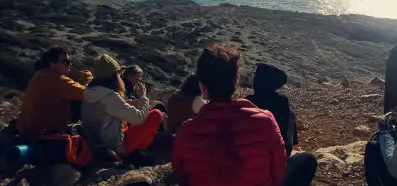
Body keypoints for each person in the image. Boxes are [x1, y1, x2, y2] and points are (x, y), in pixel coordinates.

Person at [172, 44, 317, 186]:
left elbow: (181, 177)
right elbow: (279, 173)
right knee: (307, 159)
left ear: (202, 85)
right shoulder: (265, 121)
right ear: (236, 80)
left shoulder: (186, 131)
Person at [81, 54, 164, 161]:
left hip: (95, 142)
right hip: (115, 147)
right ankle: (135, 151)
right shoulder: (109, 96)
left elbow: (109, 108)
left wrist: (131, 102)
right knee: (156, 114)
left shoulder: (90, 90)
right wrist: (143, 97)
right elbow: (139, 118)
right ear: (114, 75)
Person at [17, 46, 93, 140]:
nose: (69, 65)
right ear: (51, 63)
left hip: (27, 130)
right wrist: (89, 79)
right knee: (83, 102)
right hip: (43, 134)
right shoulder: (56, 80)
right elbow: (88, 94)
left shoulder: (40, 75)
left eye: (69, 62)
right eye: (65, 62)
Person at [246, 63, 298, 157]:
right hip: (278, 153)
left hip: (251, 154)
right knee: (291, 115)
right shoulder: (282, 100)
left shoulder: (248, 100)